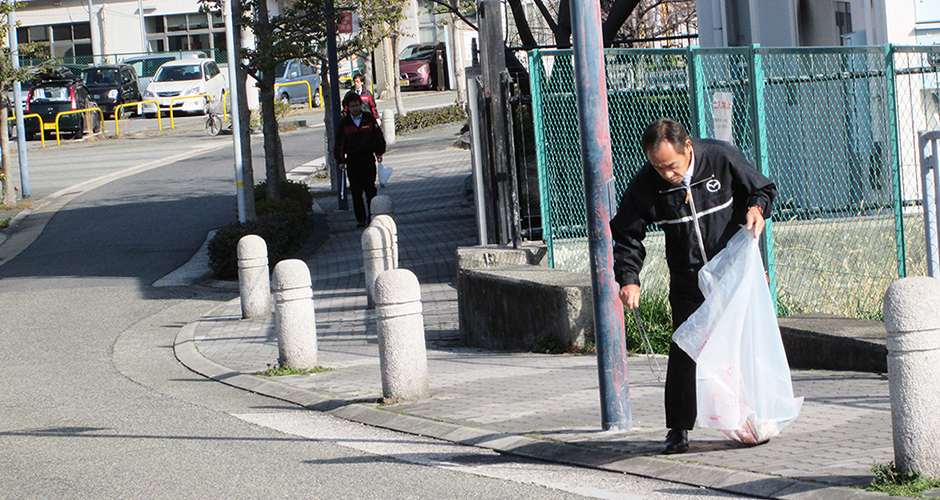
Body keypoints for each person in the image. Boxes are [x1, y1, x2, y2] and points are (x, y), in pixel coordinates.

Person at [610, 118, 776, 454]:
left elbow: (762, 188)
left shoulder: (720, 158)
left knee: (743, 344)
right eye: (658, 166)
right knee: (686, 348)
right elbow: (627, 233)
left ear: (687, 148)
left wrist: (757, 209)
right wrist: (629, 278)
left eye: (671, 166)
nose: (667, 174)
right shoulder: (647, 183)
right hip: (688, 277)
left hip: (733, 271)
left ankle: (754, 416)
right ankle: (678, 428)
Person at [335, 92, 386, 227]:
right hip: (352, 160)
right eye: (352, 106)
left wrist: (379, 152)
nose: (355, 108)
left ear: (360, 105)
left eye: (357, 105)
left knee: (370, 189)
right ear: (348, 107)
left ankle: (372, 215)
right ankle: (361, 219)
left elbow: (377, 136)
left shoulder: (368, 118)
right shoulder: (344, 123)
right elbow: (340, 142)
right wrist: (341, 160)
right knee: (356, 192)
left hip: (367, 157)